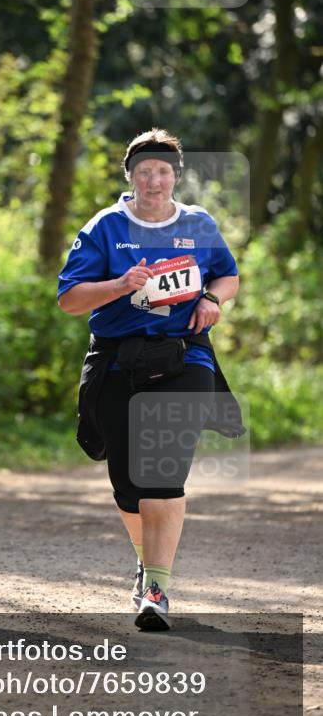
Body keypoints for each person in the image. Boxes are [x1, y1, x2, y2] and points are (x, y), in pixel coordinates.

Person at [58, 128, 244, 631]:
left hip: (186, 359)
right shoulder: (105, 227)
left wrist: (213, 299)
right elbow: (69, 299)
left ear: (176, 176)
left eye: (163, 171)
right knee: (128, 486)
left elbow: (227, 275)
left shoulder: (199, 224)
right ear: (130, 176)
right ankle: (147, 562)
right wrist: (120, 285)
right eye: (145, 171)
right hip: (118, 361)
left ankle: (157, 589)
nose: (154, 180)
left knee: (162, 474)